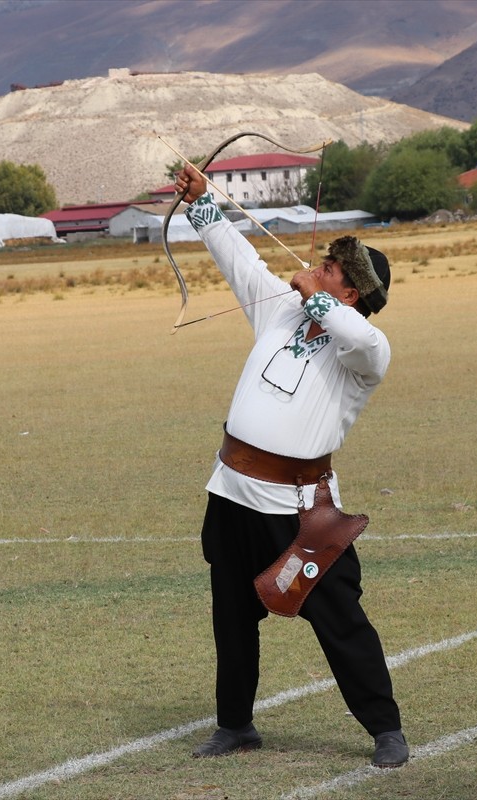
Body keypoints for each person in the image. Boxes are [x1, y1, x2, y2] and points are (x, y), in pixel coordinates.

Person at [172, 164, 409, 769]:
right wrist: (203, 205)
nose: (317, 268)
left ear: (351, 294)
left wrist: (317, 296)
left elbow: (362, 340)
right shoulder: (283, 310)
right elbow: (240, 260)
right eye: (324, 265)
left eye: (331, 269)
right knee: (231, 613)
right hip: (232, 492)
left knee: (339, 618)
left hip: (298, 508)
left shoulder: (364, 352)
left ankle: (385, 729)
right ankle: (235, 725)